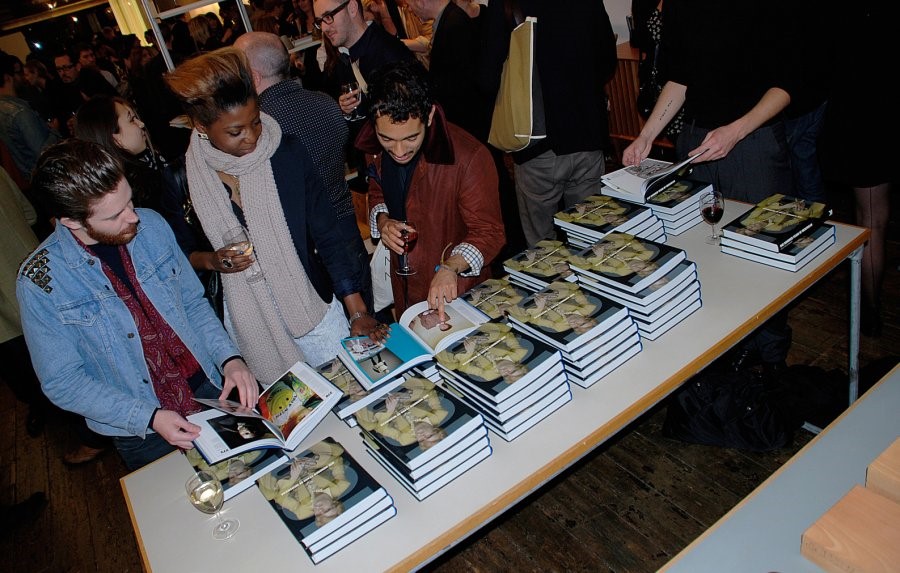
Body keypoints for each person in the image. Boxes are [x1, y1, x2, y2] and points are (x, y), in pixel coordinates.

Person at [16, 139, 259, 471]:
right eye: (116, 215)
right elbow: (62, 382)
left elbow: (191, 303)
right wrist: (148, 416)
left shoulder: (152, 225)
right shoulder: (39, 282)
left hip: (209, 387)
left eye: (129, 201)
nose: (133, 218)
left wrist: (229, 359)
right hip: (142, 430)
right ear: (71, 221)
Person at [165, 48, 383, 384]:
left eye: (255, 121)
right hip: (251, 322)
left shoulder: (286, 153)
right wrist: (211, 260)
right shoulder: (184, 177)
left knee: (353, 390)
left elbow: (327, 234)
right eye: (236, 132)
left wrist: (357, 312)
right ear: (201, 126)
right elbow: (178, 251)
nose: (252, 137)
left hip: (312, 307)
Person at [622, 1, 795, 372]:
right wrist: (646, 136)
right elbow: (679, 79)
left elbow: (786, 85)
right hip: (697, 138)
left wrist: (736, 131)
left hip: (753, 141)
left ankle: (768, 363)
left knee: (760, 255)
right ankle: (720, 355)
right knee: (702, 249)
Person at [234, 32, 373, 312]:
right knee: (370, 325)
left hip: (301, 249)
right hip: (347, 232)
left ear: (254, 75)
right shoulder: (325, 103)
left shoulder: (259, 128)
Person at [356, 61, 504, 318]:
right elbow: (378, 192)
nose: (399, 151)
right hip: (404, 290)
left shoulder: (469, 157)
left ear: (430, 116)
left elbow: (490, 232)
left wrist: (450, 267)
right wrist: (383, 221)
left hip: (459, 295)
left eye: (411, 138)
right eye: (387, 139)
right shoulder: (374, 148)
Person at [481, 0, 617, 249]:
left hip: (536, 139)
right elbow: (607, 61)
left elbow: (489, 76)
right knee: (591, 237)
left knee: (542, 247)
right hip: (587, 133)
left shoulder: (506, 2)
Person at [820, 1, 896, 337]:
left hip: (858, 115)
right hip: (880, 110)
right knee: (876, 218)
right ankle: (872, 307)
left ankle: (871, 311)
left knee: (869, 220)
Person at [0, 166, 51, 437]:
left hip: (8, 309)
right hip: (39, 275)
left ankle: (46, 411)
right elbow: (30, 214)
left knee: (22, 367)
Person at [0, 54, 61, 182]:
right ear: (7, 77)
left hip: (27, 182)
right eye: (19, 73)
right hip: (45, 178)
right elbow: (44, 154)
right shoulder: (18, 112)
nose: (24, 78)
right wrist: (54, 131)